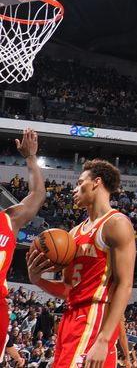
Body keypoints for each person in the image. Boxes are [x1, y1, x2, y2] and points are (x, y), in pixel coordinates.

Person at [27, 159, 136, 368]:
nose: (74, 190)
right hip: (71, 316)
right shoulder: (74, 233)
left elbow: (125, 285)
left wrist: (103, 340)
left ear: (97, 182)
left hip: (95, 315)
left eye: (79, 183)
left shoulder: (116, 224)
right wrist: (38, 280)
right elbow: (68, 289)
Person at [0, 130, 45, 357]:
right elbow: (37, 194)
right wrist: (29, 158)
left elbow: (38, 194)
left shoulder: (9, 219)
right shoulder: (9, 220)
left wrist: (30, 158)